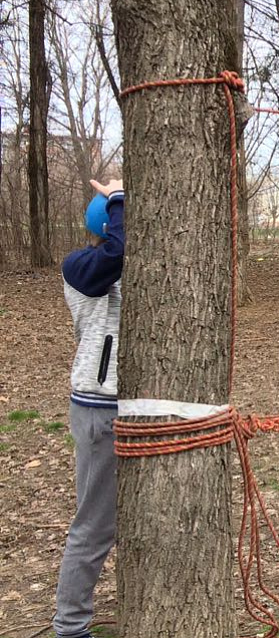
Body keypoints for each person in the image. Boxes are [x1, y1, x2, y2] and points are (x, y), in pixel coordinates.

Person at [53, 179, 125, 638]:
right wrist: (119, 198)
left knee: (117, 519)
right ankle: (71, 627)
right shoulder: (81, 266)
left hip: (126, 407)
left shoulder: (114, 264)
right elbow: (115, 254)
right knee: (94, 526)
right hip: (99, 410)